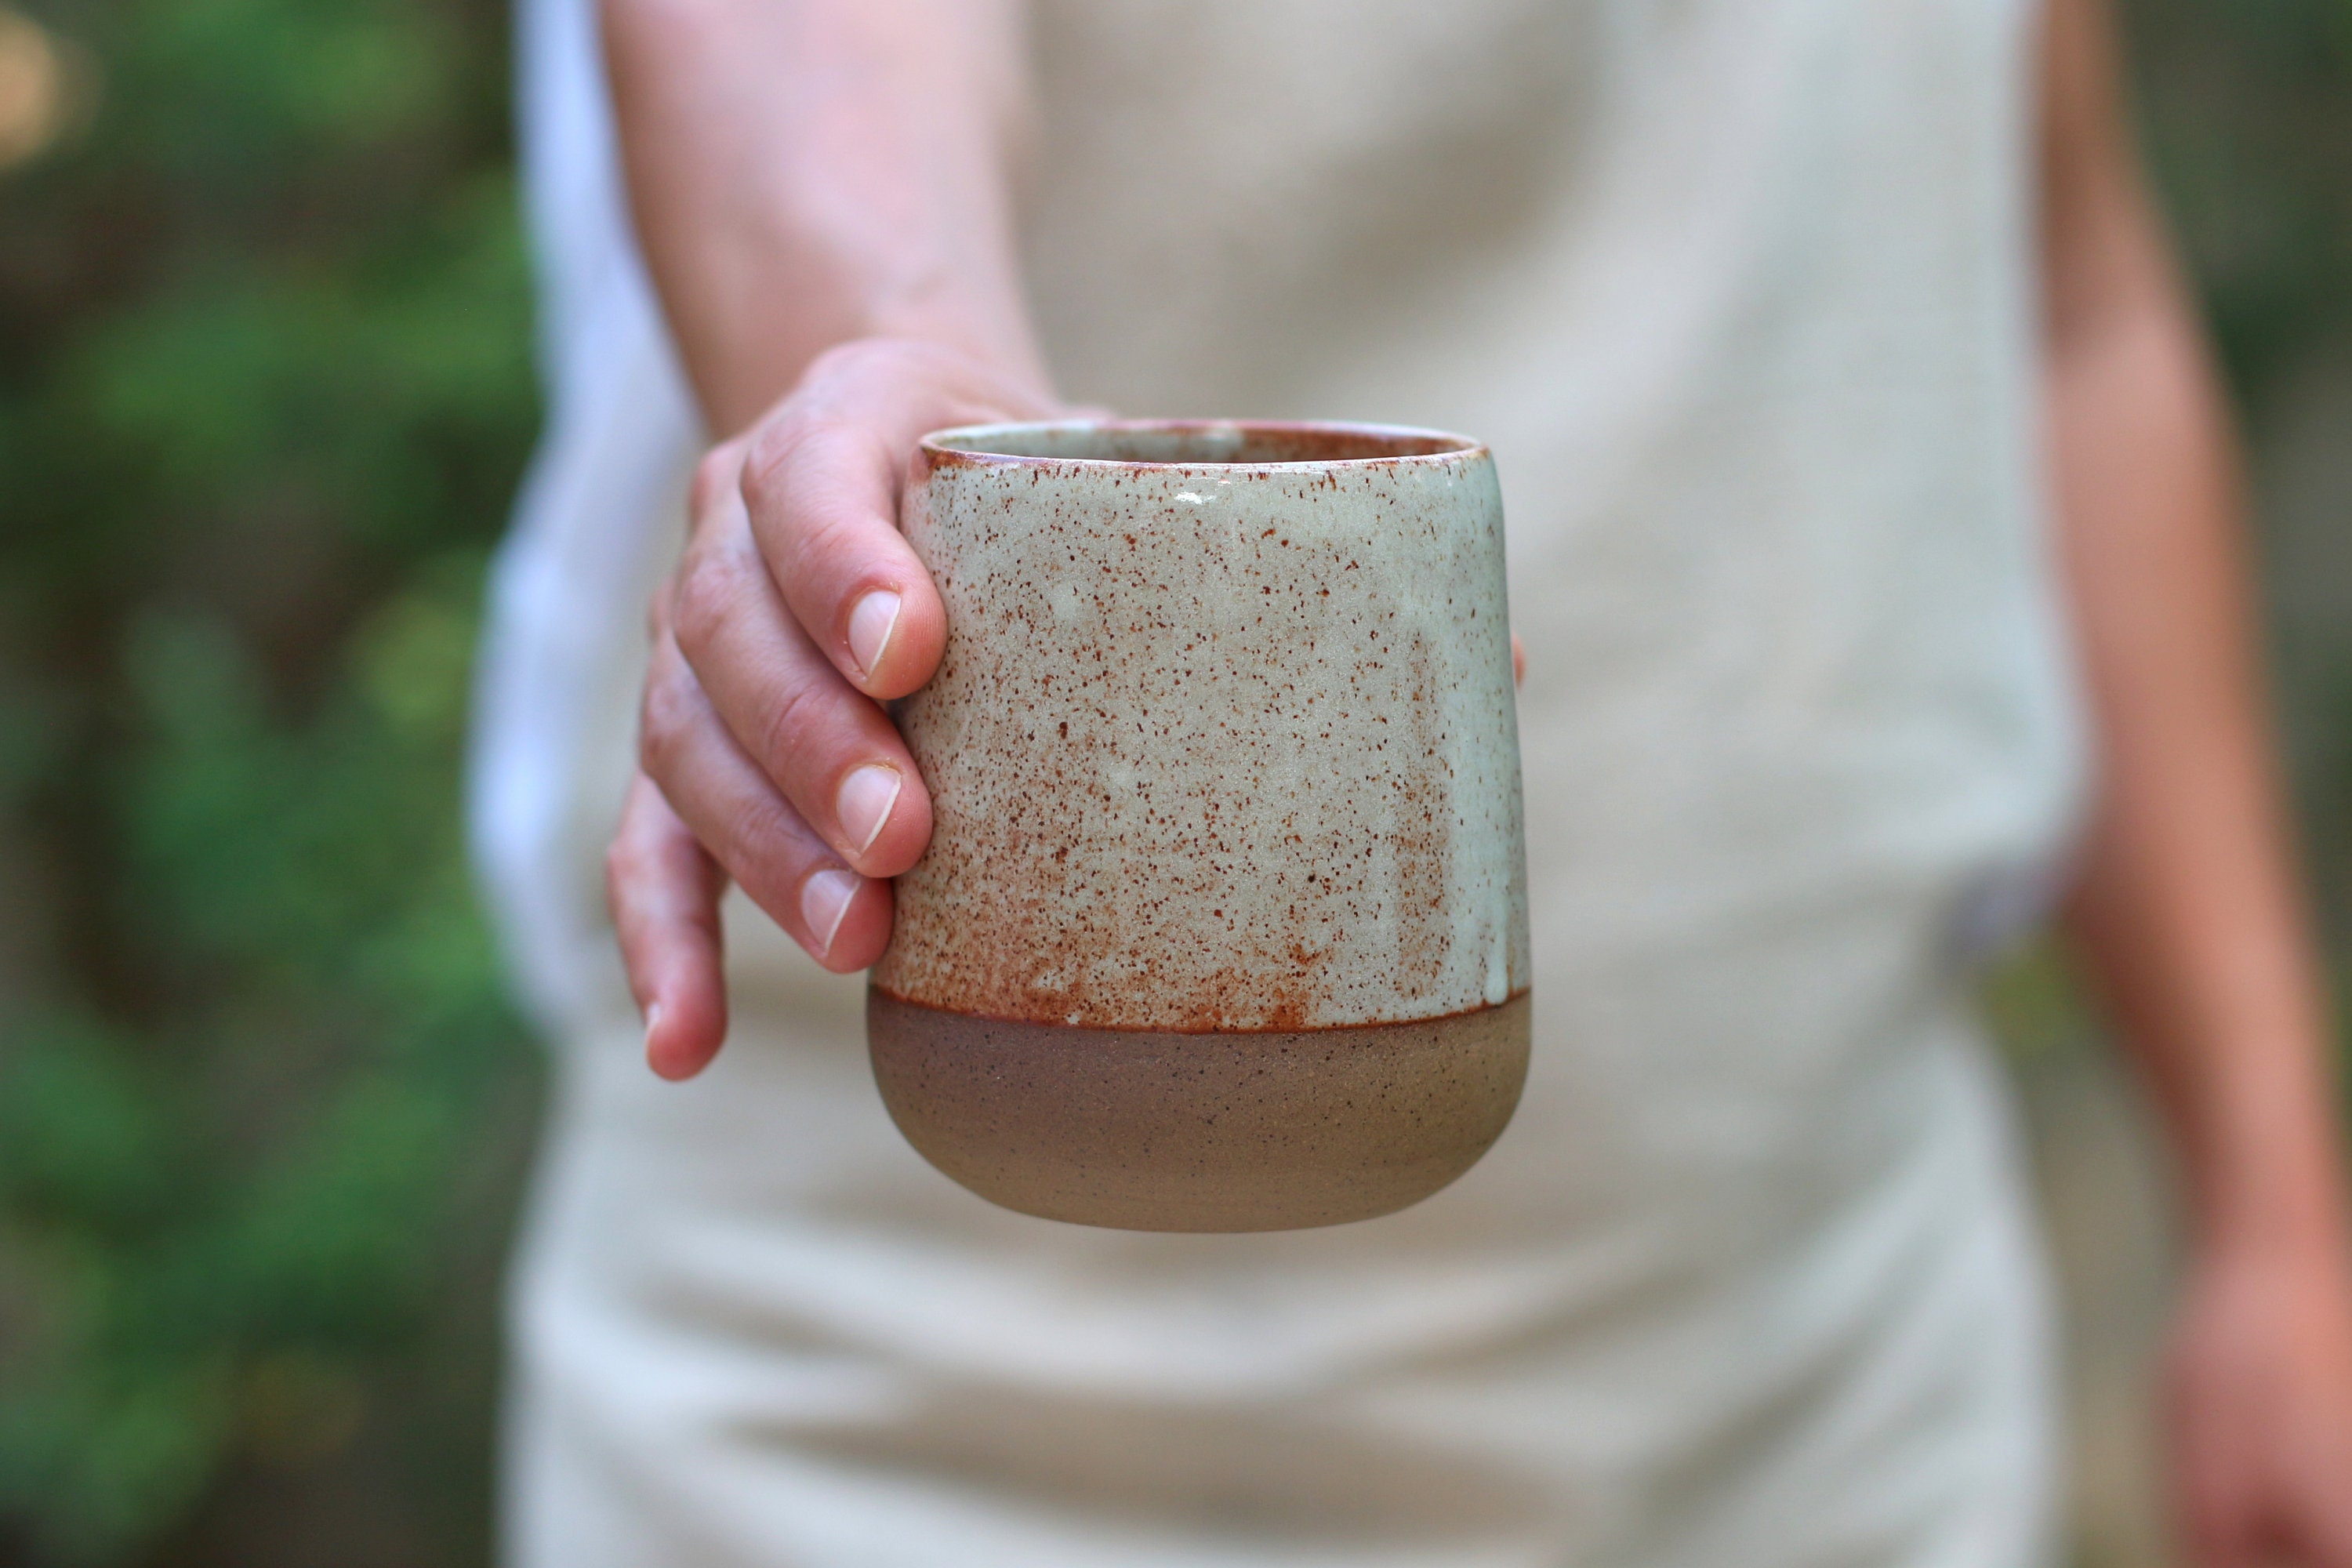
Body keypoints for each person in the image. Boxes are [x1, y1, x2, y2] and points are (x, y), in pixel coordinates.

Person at [469, 0, 2352, 1563]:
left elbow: (2065, 302)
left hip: (1828, 1405)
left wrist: (2278, 1204)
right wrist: (890, 362)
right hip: (887, 1440)